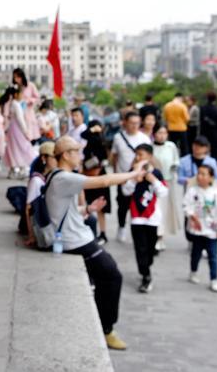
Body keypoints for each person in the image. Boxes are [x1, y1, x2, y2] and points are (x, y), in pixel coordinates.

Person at [45, 136, 146, 351]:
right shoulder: (64, 177)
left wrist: (89, 209)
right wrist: (134, 173)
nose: (80, 156)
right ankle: (106, 329)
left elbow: (64, 210)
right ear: (66, 155)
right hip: (74, 241)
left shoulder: (58, 176)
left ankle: (102, 322)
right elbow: (104, 181)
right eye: (76, 151)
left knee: (107, 275)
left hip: (75, 236)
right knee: (112, 275)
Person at [124, 143, 168, 293]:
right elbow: (125, 191)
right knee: (140, 248)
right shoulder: (132, 172)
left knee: (150, 248)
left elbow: (163, 193)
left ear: (149, 156)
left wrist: (153, 180)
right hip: (136, 217)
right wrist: (133, 180)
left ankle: (146, 266)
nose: (138, 157)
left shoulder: (156, 173)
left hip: (152, 217)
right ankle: (146, 276)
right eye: (136, 154)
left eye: (141, 154)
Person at [183, 164, 217, 292]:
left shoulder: (215, 194)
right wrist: (191, 215)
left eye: (204, 174)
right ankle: (193, 271)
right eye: (199, 173)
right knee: (195, 253)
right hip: (197, 230)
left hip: (211, 230)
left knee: (213, 255)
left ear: (211, 178)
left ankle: (214, 279)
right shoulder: (192, 191)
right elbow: (186, 205)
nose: (200, 176)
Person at [110, 110, 151, 243]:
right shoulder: (118, 137)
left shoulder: (144, 138)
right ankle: (121, 226)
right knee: (122, 205)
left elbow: (149, 159)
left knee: (139, 204)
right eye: (131, 123)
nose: (134, 125)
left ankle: (138, 230)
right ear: (125, 123)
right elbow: (115, 157)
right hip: (123, 177)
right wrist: (116, 174)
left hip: (139, 178)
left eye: (137, 123)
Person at [151, 125, 181, 250]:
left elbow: (176, 160)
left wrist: (174, 166)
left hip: (168, 182)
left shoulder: (171, 146)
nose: (162, 135)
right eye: (159, 132)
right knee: (156, 209)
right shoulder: (150, 148)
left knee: (165, 210)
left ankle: (161, 236)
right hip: (154, 183)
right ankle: (155, 235)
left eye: (164, 133)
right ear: (154, 134)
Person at [81, 120, 111, 244]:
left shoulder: (101, 140)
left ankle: (102, 233)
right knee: (88, 204)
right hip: (89, 174)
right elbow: (83, 134)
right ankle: (89, 230)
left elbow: (104, 153)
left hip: (99, 174)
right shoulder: (88, 138)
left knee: (100, 206)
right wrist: (92, 130)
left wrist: (97, 131)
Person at [24, 142, 57, 246]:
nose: (57, 160)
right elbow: (29, 208)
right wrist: (31, 235)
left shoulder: (54, 175)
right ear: (44, 158)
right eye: (54, 157)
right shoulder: (37, 180)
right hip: (43, 226)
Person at [1, 86, 35, 179]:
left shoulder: (11, 103)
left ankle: (13, 170)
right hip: (17, 129)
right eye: (21, 94)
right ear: (16, 94)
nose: (22, 96)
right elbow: (20, 119)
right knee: (21, 148)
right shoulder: (16, 104)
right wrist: (26, 132)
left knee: (13, 148)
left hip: (12, 128)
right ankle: (22, 169)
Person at [199, 92, 217, 161]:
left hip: (204, 133)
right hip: (216, 134)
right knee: (215, 153)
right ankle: (214, 165)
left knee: (203, 152)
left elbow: (201, 121)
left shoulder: (202, 108)